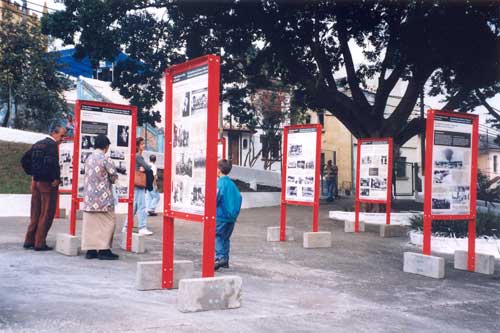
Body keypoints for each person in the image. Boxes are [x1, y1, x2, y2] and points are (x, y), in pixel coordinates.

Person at [22, 125, 67, 251]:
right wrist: (55, 178)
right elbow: (53, 164)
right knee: (47, 213)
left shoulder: (38, 144)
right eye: (61, 135)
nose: (62, 139)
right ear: (54, 133)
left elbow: (24, 159)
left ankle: (29, 240)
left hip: (35, 182)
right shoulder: (52, 146)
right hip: (47, 183)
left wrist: (32, 173)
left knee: (35, 212)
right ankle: (39, 243)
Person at [81, 134, 120, 260]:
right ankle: (104, 250)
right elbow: (113, 177)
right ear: (106, 146)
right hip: (103, 199)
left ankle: (90, 250)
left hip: (89, 198)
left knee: (90, 224)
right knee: (108, 223)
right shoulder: (105, 159)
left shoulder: (88, 158)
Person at [215, 159, 242, 271]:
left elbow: (216, 198)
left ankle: (220, 258)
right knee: (226, 238)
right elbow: (239, 197)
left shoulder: (219, 183)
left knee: (217, 237)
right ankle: (225, 260)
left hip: (221, 215)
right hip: (231, 217)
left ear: (219, 170)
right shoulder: (232, 184)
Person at [123, 137, 153, 235]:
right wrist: (144, 169)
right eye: (142, 144)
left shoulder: (135, 156)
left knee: (134, 207)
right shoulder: (138, 157)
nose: (144, 145)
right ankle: (142, 227)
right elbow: (148, 167)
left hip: (135, 184)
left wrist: (143, 168)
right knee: (142, 206)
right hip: (139, 184)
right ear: (137, 146)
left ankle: (126, 226)